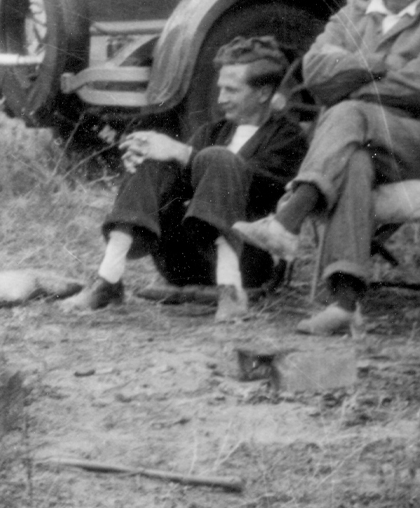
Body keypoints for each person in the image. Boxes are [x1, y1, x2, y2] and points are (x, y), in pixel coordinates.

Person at [232, 0, 420, 336]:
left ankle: (287, 220)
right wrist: (380, 65)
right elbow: (315, 71)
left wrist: (354, 88)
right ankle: (344, 304)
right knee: (355, 163)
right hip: (355, 145)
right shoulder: (350, 18)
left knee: (345, 113)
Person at [61, 36, 307, 322]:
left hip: (248, 261)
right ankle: (108, 279)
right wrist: (146, 160)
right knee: (154, 157)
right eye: (220, 89)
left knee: (218, 158)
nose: (220, 98)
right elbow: (180, 179)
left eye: (231, 90)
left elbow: (266, 187)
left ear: (263, 93)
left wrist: (185, 152)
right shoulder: (213, 131)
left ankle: (231, 291)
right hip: (182, 259)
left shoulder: (288, 138)